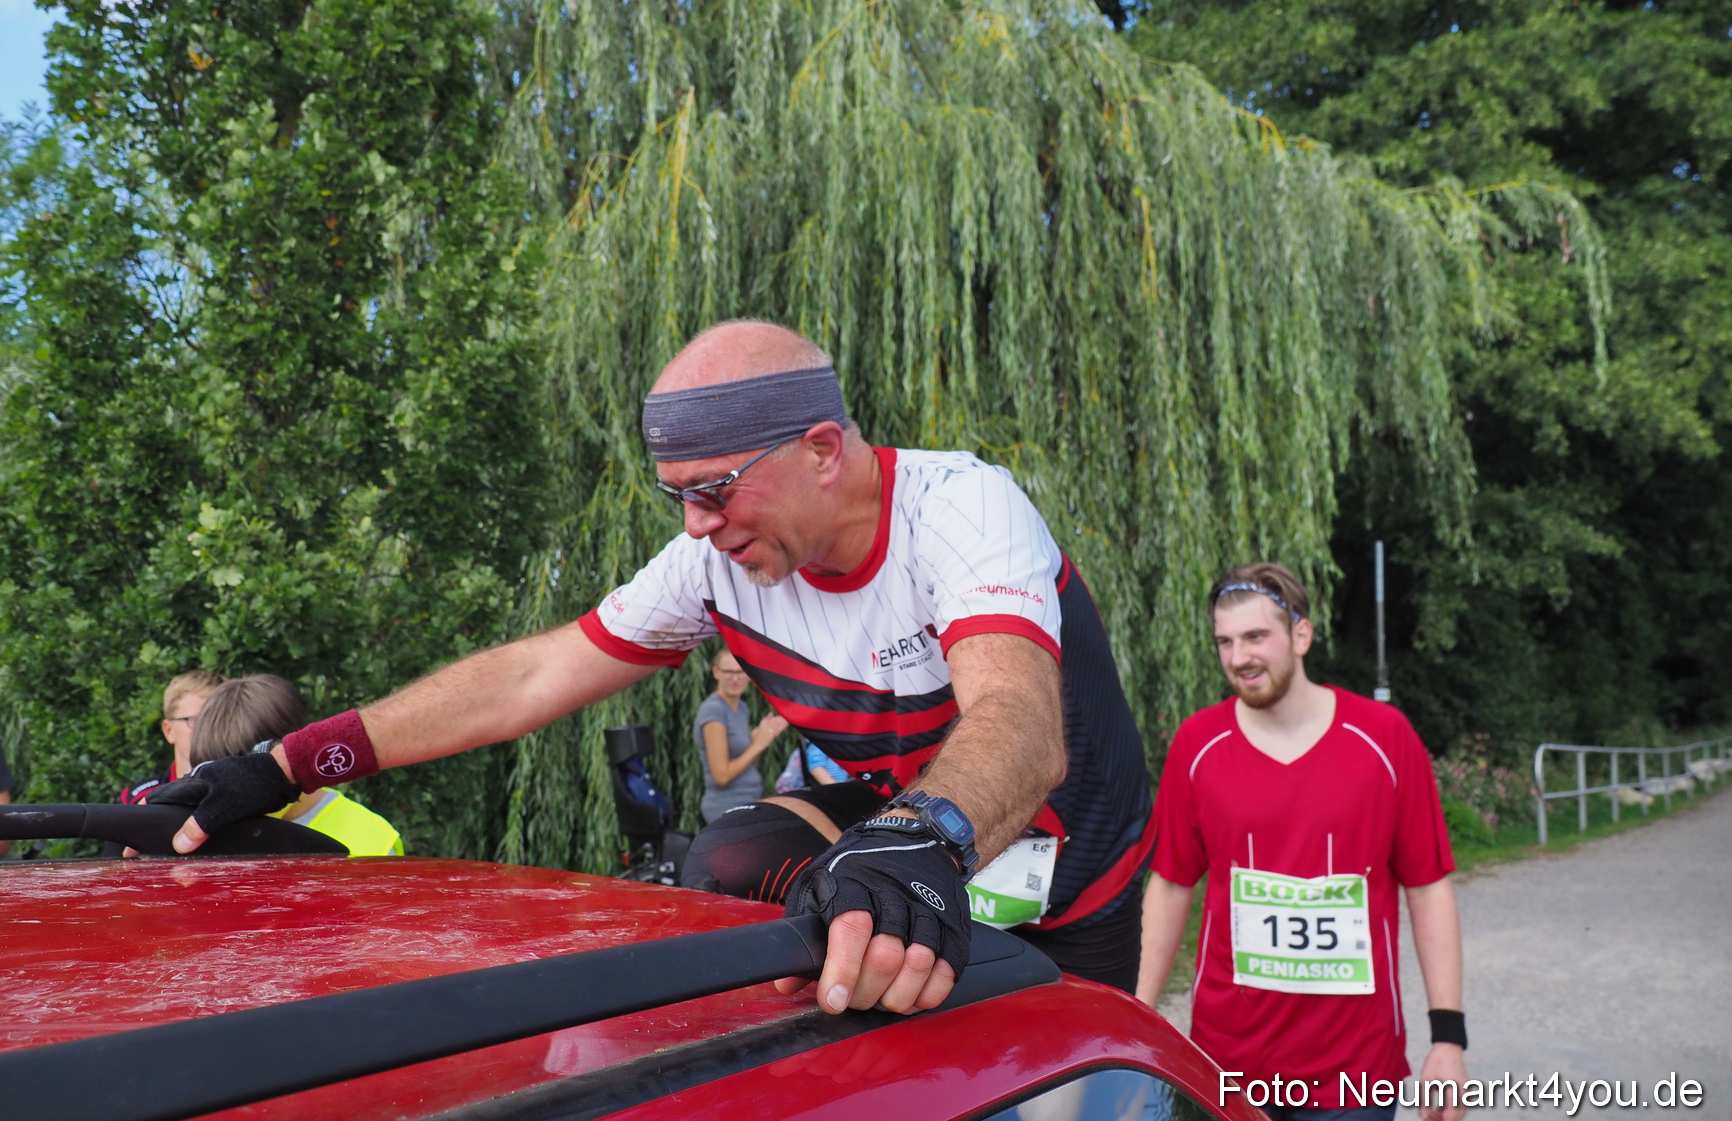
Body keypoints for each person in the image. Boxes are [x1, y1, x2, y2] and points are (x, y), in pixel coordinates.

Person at [151, 320, 1154, 1015]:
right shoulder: (713, 565)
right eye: (676, 495)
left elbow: (1020, 726)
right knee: (721, 865)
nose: (694, 527)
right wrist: (287, 764)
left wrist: (922, 834)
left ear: (819, 449)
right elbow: (527, 681)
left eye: (713, 490)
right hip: (914, 838)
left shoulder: (962, 508)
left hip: (1068, 876)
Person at [1136, 563, 1466, 1121]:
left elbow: (1428, 885)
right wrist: (1135, 1021)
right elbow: (1169, 884)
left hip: (1354, 1073)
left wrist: (1449, 1040)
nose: (1239, 657)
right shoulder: (1198, 743)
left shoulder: (1385, 739)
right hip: (1227, 1066)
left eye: (1256, 636)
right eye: (1225, 641)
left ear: (1301, 635)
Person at [189, 675, 404, 857]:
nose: (232, 799)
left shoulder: (373, 840)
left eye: (246, 781)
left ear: (294, 754)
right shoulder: (201, 826)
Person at [694, 649, 788, 824]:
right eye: (728, 672)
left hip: (750, 799)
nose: (735, 678)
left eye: (740, 672)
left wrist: (761, 735)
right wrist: (758, 745)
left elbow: (748, 762)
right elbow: (721, 776)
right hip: (726, 806)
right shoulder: (714, 710)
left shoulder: (742, 708)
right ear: (716, 672)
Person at [118, 670, 227, 805]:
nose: (207, 730)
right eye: (195, 721)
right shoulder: (138, 799)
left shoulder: (246, 794)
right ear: (169, 731)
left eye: (217, 721)